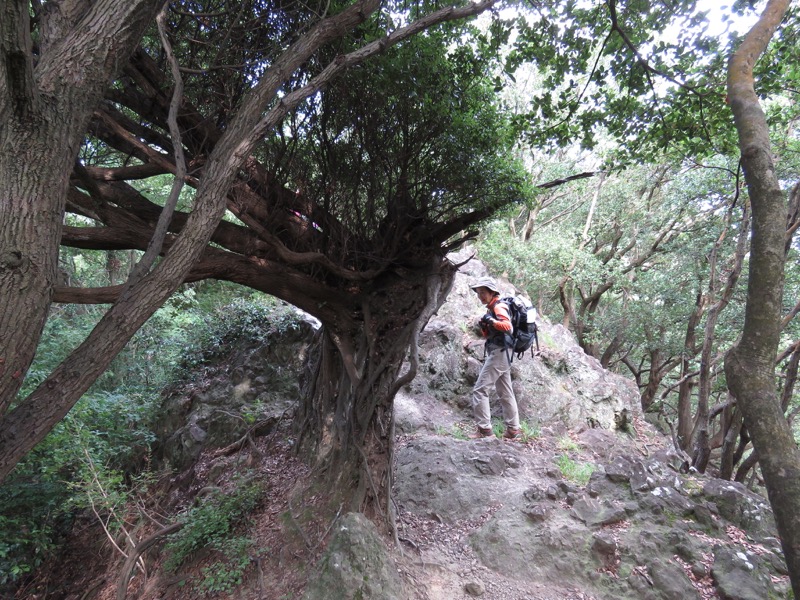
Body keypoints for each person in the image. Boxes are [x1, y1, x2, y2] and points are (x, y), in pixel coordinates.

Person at [469, 277, 521, 440]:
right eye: (478, 293)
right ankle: (513, 430)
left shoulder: (499, 306)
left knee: (480, 389)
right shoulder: (493, 307)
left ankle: (484, 430)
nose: (480, 296)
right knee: (505, 391)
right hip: (502, 352)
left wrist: (491, 320)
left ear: (492, 292)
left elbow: (508, 327)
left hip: (500, 352)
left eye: (483, 292)